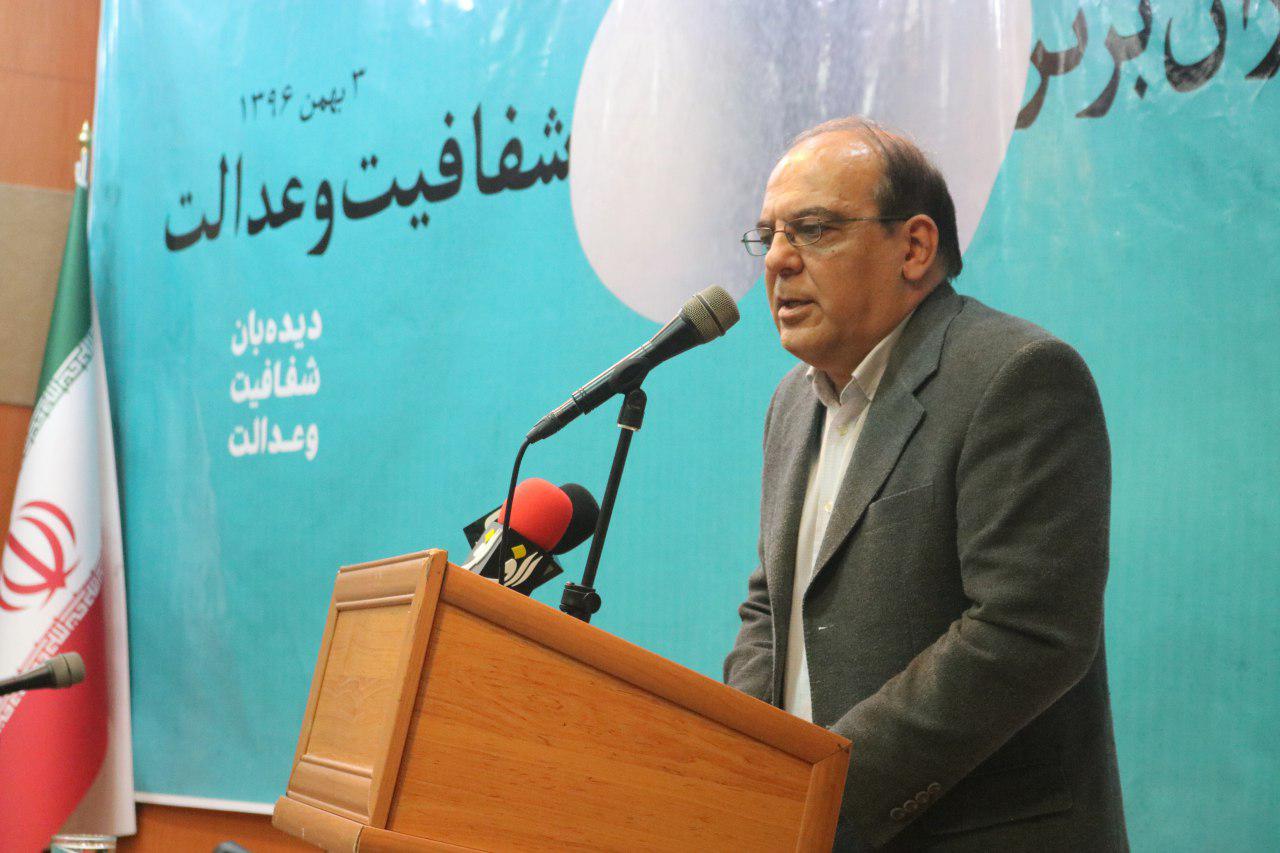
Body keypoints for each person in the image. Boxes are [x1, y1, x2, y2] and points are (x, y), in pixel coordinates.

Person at [723, 117, 1127, 851]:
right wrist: (748, 774)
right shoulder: (793, 403)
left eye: (813, 229)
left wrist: (825, 790)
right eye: (769, 235)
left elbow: (1025, 630)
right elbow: (769, 607)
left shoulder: (1015, 375)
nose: (778, 259)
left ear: (913, 247)